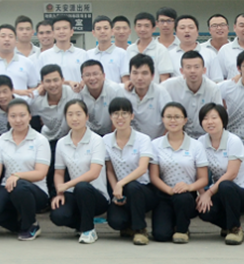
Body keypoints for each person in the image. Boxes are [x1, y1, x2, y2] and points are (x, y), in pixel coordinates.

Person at [0, 99, 51, 241]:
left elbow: (41, 173)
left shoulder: (40, 140)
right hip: (8, 186)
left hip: (35, 190)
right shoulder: (1, 140)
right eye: (13, 116)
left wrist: (18, 175)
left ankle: (30, 225)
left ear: (30, 116)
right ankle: (20, 224)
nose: (18, 120)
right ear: (8, 118)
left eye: (22, 115)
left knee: (20, 186)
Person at [148, 102, 209, 243]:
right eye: (168, 117)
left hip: (187, 195)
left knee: (182, 198)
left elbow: (203, 179)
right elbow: (154, 176)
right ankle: (171, 224)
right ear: (163, 119)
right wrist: (169, 190)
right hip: (164, 193)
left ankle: (182, 230)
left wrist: (188, 187)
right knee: (161, 235)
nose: (173, 120)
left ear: (185, 120)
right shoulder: (155, 144)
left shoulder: (196, 145)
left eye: (177, 117)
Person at [49, 99, 109, 243]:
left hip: (96, 195)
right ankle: (82, 224)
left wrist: (67, 185)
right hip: (73, 193)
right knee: (58, 215)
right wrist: (60, 192)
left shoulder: (96, 140)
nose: (74, 118)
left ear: (86, 117)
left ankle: (88, 230)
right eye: (70, 114)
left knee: (82, 187)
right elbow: (58, 173)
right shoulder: (62, 143)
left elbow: (94, 173)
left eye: (78, 114)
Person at [195, 103, 244, 245]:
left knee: (226, 185)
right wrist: (202, 194)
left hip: (241, 191)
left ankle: (235, 229)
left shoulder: (233, 141)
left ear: (223, 120)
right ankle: (227, 224)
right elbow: (200, 172)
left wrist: (209, 193)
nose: (210, 122)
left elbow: (232, 174)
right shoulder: (201, 142)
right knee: (204, 210)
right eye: (205, 118)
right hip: (219, 191)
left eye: (214, 117)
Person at [103, 97, 155, 245]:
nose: (120, 117)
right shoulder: (106, 140)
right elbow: (109, 170)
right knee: (115, 221)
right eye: (116, 113)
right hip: (121, 189)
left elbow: (142, 168)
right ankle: (129, 226)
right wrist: (116, 190)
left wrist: (121, 183)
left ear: (132, 116)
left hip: (143, 189)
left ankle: (140, 230)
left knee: (132, 187)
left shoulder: (143, 139)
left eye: (124, 113)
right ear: (110, 117)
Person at [31, 64, 77, 192]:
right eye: (48, 81)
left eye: (56, 80)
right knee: (48, 166)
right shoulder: (36, 101)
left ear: (63, 80)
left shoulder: (73, 93)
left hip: (72, 139)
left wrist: (70, 82)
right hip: (50, 139)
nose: (52, 85)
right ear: (42, 83)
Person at [163, 50, 223, 138]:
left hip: (206, 135)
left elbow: (219, 117)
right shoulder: (169, 85)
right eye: (188, 67)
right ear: (181, 70)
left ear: (204, 70)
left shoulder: (213, 88)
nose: (192, 71)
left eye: (196, 67)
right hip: (179, 135)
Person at [124, 54, 170, 139]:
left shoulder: (161, 93)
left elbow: (170, 121)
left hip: (156, 142)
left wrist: (160, 143)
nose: (139, 78)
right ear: (129, 75)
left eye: (144, 73)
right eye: (135, 73)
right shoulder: (123, 91)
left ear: (152, 76)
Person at [77, 60, 126, 136]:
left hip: (111, 134)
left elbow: (119, 118)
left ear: (103, 75)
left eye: (95, 74)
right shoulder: (79, 92)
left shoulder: (115, 90)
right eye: (87, 75)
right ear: (82, 78)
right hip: (87, 135)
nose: (92, 78)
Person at [171, 15, 224, 81]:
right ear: (176, 32)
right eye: (182, 28)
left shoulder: (210, 54)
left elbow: (217, 80)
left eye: (191, 27)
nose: (187, 31)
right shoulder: (169, 55)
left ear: (197, 32)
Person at [126, 13, 176, 82]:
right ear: (135, 28)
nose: (142, 29)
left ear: (153, 28)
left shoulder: (161, 49)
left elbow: (165, 78)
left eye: (146, 26)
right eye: (139, 26)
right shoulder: (130, 49)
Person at [39, 16, 88, 83]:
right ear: (53, 33)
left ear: (71, 32)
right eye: (58, 29)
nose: (61, 31)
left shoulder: (83, 54)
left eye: (65, 28)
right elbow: (40, 80)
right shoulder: (44, 56)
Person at [86, 16, 128, 83]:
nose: (102, 31)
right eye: (98, 29)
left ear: (112, 31)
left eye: (106, 28)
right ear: (93, 33)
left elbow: (126, 81)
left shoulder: (122, 53)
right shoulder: (88, 54)